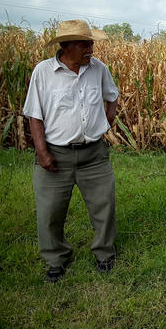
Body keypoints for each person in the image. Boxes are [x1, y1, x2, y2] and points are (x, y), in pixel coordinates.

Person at [23, 20, 119, 283]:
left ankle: (104, 254)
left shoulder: (99, 69)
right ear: (65, 47)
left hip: (94, 155)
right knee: (50, 212)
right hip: (56, 156)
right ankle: (56, 259)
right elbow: (34, 115)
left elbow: (112, 96)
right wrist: (42, 152)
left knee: (104, 207)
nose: (91, 49)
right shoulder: (43, 72)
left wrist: (105, 124)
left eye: (91, 43)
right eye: (84, 44)